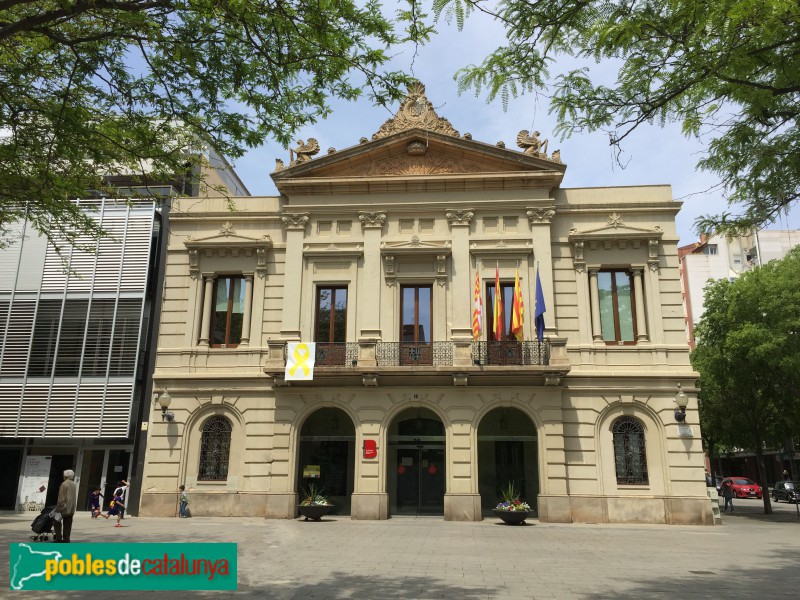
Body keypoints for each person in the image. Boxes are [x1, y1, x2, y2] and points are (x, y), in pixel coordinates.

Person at [53, 469, 77, 543]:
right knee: (68, 524)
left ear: (65, 476)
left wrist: (58, 509)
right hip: (71, 508)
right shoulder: (73, 484)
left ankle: (58, 538)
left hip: (64, 508)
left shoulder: (64, 484)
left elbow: (61, 498)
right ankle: (66, 539)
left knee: (56, 521)